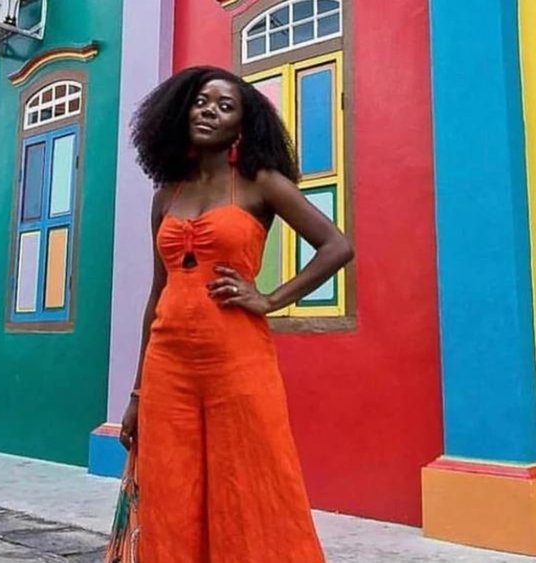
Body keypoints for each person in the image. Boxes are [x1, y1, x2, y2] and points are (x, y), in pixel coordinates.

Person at [116, 66, 354, 562]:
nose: (210, 111)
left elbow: (336, 246)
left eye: (226, 106)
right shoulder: (167, 194)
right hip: (167, 363)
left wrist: (270, 299)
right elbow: (158, 291)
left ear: (241, 127)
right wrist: (137, 394)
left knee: (248, 481)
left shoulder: (260, 184)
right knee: (171, 487)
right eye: (202, 101)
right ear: (183, 111)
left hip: (236, 356)